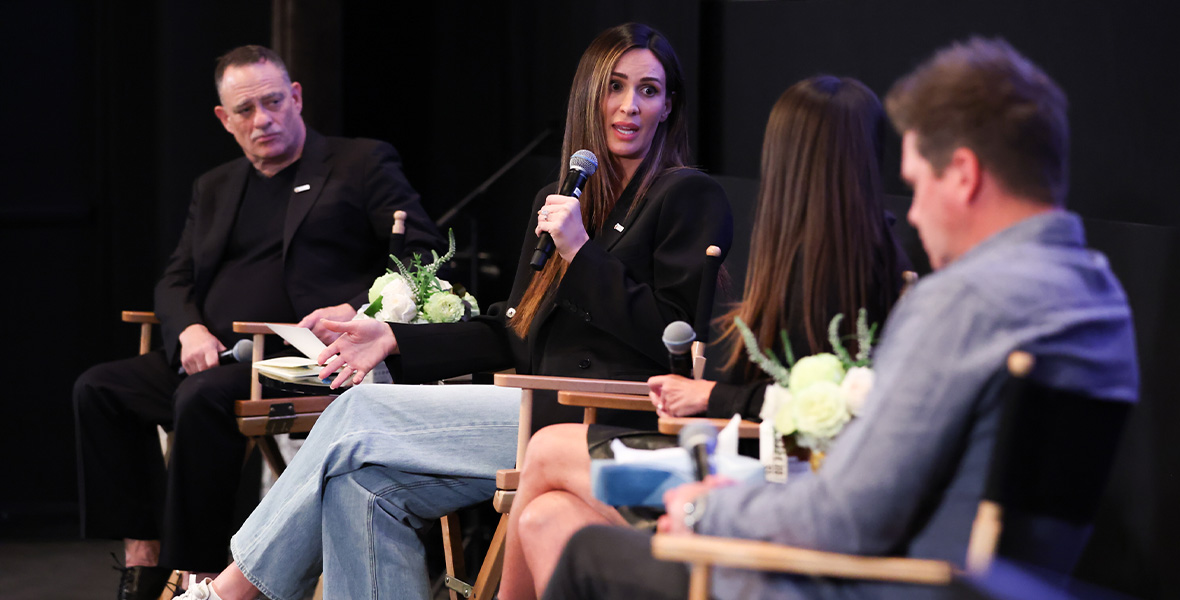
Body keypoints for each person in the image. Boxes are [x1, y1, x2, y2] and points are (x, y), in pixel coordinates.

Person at [541, 37, 1139, 600]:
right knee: (552, 517)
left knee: (590, 551)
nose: (915, 215)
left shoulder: (965, 303)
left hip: (877, 583)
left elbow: (845, 517)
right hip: (963, 581)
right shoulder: (1099, 298)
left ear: (963, 174)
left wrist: (705, 509)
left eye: (917, 185)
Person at [172, 23, 733, 600]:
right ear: (589, 93)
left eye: (648, 90)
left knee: (359, 412)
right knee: (358, 487)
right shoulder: (563, 197)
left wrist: (581, 253)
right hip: (531, 407)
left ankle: (229, 591)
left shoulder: (687, 195)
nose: (629, 105)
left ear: (669, 106)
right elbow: (511, 330)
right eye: (615, 86)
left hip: (597, 419)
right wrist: (392, 337)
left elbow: (670, 336)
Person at [499, 75, 912, 599]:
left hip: (770, 490)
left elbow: (815, 404)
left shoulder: (849, 263)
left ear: (787, 157)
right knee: (545, 518)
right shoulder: (825, 249)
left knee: (548, 448)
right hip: (755, 466)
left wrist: (711, 394)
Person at [72, 45, 446, 600]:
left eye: (273, 102)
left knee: (201, 398)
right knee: (99, 389)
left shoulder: (359, 163)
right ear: (224, 119)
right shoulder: (215, 186)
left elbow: (422, 256)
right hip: (215, 354)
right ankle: (143, 562)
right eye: (245, 110)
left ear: (296, 97)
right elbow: (174, 280)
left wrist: (357, 309)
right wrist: (188, 330)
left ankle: (200, 578)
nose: (262, 119)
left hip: (301, 359)